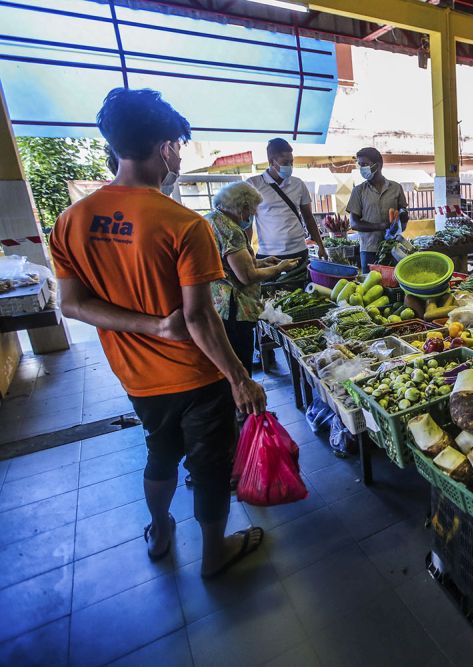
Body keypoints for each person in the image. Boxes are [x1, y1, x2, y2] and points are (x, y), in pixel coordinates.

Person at [50, 88, 268, 578]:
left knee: (160, 453)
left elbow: (73, 304)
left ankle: (160, 529)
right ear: (166, 146)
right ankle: (215, 554)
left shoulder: (71, 221)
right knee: (210, 465)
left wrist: (147, 327)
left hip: (137, 378)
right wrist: (239, 378)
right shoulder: (183, 224)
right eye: (179, 147)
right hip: (197, 374)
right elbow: (198, 319)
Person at [205, 181, 300, 376]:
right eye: (252, 211)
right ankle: (247, 404)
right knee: (241, 363)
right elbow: (246, 275)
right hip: (235, 310)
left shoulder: (212, 220)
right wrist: (278, 268)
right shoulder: (230, 229)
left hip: (217, 305)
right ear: (243, 207)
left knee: (228, 366)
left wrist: (263, 262)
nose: (252, 216)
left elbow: (232, 265)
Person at [247, 137, 328, 268]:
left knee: (301, 288)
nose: (290, 166)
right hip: (268, 256)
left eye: (291, 162)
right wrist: (248, 252)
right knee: (272, 288)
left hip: (298, 251)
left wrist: (320, 245)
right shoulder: (253, 184)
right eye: (285, 162)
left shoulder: (298, 184)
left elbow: (308, 217)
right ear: (271, 161)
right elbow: (247, 223)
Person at [347, 147, 408, 270]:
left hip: (393, 249)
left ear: (378, 165)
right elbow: (354, 223)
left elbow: (403, 214)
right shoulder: (358, 191)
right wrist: (381, 226)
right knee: (371, 286)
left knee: (394, 283)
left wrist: (403, 216)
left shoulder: (396, 188)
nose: (362, 169)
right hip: (369, 250)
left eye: (365, 164)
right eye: (360, 165)